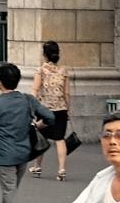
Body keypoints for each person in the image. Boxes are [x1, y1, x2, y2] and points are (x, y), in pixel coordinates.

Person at [0, 62, 55, 203]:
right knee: (12, 191)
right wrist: (37, 126)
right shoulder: (27, 99)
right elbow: (50, 117)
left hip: (4, 155)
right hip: (24, 153)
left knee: (10, 192)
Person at [28, 41, 70, 180]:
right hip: (61, 109)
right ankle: (62, 169)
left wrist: (32, 108)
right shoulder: (64, 71)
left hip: (45, 110)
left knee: (41, 136)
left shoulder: (41, 70)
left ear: (44, 54)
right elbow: (67, 93)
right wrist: (67, 108)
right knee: (60, 139)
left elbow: (34, 90)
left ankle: (37, 166)